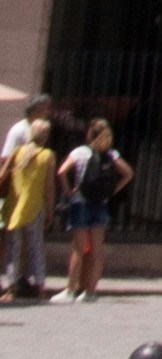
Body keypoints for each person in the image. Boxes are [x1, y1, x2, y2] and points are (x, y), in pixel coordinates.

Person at [63, 122, 129, 299]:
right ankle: (90, 292)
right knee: (97, 250)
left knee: (78, 248)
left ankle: (70, 291)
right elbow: (128, 173)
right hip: (101, 203)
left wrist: (69, 191)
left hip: (81, 202)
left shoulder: (80, 153)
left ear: (89, 134)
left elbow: (61, 172)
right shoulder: (111, 154)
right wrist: (111, 191)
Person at [0, 117, 54, 302]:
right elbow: (49, 187)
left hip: (15, 206)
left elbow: (2, 175)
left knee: (13, 249)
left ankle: (11, 289)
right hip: (35, 208)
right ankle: (40, 287)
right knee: (35, 248)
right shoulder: (47, 155)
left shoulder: (17, 152)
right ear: (45, 136)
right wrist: (50, 210)